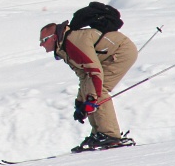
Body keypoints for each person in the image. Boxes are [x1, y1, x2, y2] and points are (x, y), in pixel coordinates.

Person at [39, 21, 138, 152]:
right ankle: (99, 133)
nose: (41, 44)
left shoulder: (73, 42)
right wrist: (80, 102)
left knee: (98, 91)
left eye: (44, 40)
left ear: (54, 37)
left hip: (121, 52)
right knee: (92, 90)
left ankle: (110, 135)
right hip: (110, 56)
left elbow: (94, 71)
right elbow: (84, 76)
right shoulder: (64, 47)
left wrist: (90, 100)